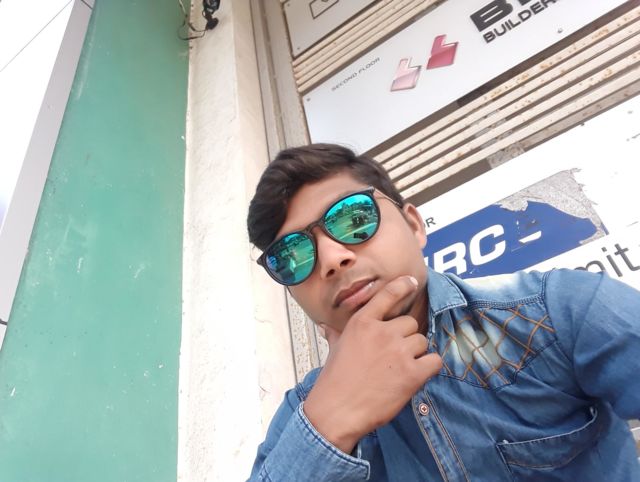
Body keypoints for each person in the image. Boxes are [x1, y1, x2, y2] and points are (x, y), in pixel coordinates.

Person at [246, 143, 640, 481]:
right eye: (293, 256)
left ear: (414, 225)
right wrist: (329, 425)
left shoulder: (556, 311)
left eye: (353, 218)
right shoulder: (303, 412)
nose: (332, 258)